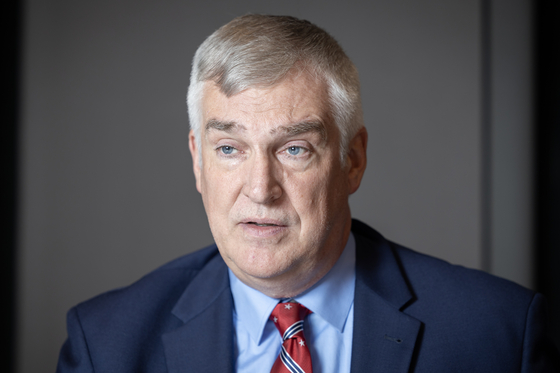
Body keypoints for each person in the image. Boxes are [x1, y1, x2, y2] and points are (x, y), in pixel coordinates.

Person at [57, 14, 559, 372]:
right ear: (197, 160)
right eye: (229, 148)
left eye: (294, 149)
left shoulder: (498, 334)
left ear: (353, 161)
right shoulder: (105, 344)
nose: (260, 189)